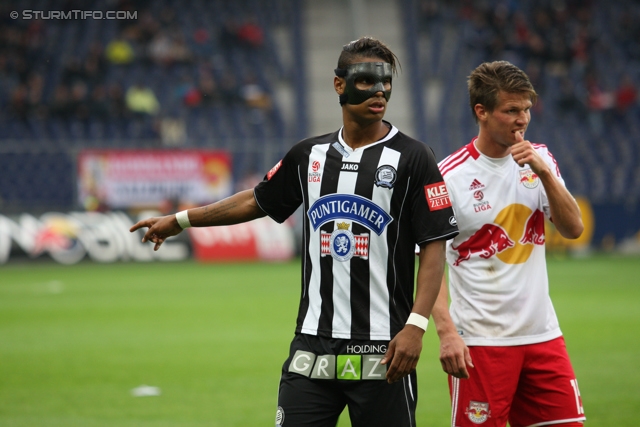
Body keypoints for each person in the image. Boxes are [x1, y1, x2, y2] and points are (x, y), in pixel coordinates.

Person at [130, 36, 459, 427]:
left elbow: (434, 247)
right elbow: (256, 200)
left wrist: (416, 327)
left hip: (384, 346)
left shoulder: (414, 157)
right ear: (340, 85)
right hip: (311, 347)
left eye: (386, 82)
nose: (380, 91)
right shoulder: (309, 155)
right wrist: (181, 220)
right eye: (367, 80)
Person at [432, 60, 586, 427]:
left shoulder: (541, 159)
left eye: (527, 110)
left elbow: (573, 228)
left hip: (544, 337)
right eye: (511, 110)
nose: (522, 120)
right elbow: (429, 263)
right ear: (481, 112)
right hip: (481, 344)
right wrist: (447, 333)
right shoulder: (448, 178)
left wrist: (544, 173)